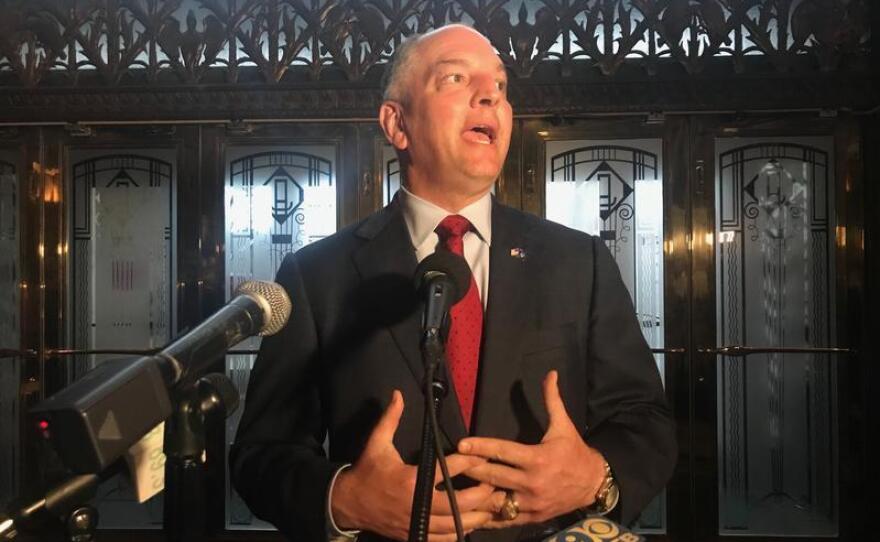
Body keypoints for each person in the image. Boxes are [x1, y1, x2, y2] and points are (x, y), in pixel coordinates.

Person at [230, 24, 676, 542]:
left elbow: (646, 422)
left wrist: (594, 477)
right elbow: (260, 455)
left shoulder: (579, 261)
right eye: (456, 78)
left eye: (501, 87)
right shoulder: (317, 276)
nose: (490, 95)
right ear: (397, 124)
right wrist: (347, 498)